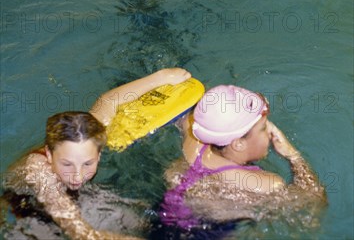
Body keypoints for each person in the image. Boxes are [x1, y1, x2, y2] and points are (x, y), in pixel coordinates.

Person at [3, 68, 191, 240]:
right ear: (49, 155)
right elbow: (82, 233)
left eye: (88, 163)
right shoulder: (38, 169)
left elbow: (108, 101)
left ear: (98, 155)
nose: (77, 175)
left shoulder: (89, 137)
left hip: (73, 199)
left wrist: (161, 77)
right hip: (23, 211)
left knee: (141, 222)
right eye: (67, 164)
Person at [154, 84, 326, 237]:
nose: (271, 132)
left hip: (160, 221)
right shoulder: (266, 184)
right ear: (238, 144)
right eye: (264, 128)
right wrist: (293, 156)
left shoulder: (193, 142)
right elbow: (313, 203)